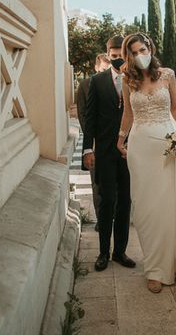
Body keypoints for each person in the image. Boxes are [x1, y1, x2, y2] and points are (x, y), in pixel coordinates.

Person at [116, 33, 176, 293]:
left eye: (143, 49)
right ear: (128, 56)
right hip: (141, 149)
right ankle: (154, 269)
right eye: (134, 52)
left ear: (151, 48)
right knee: (146, 210)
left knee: (169, 206)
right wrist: (120, 139)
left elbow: (175, 108)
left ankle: (172, 263)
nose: (140, 55)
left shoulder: (168, 75)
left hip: (168, 146)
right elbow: (128, 114)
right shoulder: (127, 79)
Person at [82, 35, 136, 272]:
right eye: (113, 56)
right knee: (107, 203)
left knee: (125, 203)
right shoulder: (97, 81)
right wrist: (87, 149)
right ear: (107, 55)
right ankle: (103, 252)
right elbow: (89, 118)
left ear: (126, 56)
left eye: (120, 56)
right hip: (104, 153)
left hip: (129, 153)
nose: (116, 60)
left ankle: (120, 252)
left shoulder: (136, 80)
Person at [75, 53, 111, 231]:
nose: (106, 72)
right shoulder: (85, 85)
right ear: (96, 68)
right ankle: (101, 220)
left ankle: (113, 217)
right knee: (97, 184)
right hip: (94, 143)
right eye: (103, 69)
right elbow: (82, 114)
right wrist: (92, 139)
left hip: (112, 142)